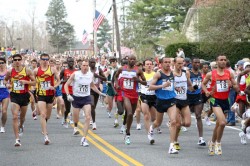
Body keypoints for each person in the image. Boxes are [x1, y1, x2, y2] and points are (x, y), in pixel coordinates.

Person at [202, 54, 239, 155]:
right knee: (223, 122)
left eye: (224, 60)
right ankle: (218, 143)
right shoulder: (211, 74)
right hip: (215, 100)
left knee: (218, 124)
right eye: (221, 60)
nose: (223, 61)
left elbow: (236, 87)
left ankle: (212, 142)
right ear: (217, 61)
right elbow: (203, 84)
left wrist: (233, 86)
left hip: (225, 100)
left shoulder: (229, 73)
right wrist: (206, 91)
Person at [64, 59, 105, 147]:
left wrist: (100, 93)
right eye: (84, 65)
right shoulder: (75, 74)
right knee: (76, 119)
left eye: (87, 66)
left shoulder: (90, 75)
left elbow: (92, 86)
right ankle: (75, 126)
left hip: (86, 98)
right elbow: (66, 85)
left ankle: (84, 138)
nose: (85, 67)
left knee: (87, 117)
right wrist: (68, 95)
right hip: (76, 98)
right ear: (80, 66)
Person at [4, 54, 36, 146]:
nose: (17, 61)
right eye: (15, 60)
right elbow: (5, 81)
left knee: (22, 117)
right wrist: (7, 85)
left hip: (24, 95)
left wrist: (26, 82)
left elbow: (35, 82)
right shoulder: (10, 72)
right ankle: (17, 139)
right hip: (14, 95)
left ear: (21, 60)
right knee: (14, 117)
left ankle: (21, 125)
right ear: (13, 61)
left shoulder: (27, 71)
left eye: (19, 59)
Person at [148, 57, 178, 154]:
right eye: (165, 62)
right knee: (158, 123)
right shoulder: (158, 74)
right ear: (161, 63)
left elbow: (173, 84)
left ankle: (171, 146)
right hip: (161, 101)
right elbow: (150, 87)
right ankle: (151, 129)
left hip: (171, 100)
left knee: (173, 122)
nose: (168, 64)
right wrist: (162, 86)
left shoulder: (173, 73)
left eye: (169, 62)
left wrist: (176, 88)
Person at [114, 55, 146, 145]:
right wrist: (117, 84)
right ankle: (128, 134)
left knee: (129, 114)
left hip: (134, 95)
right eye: (130, 59)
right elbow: (115, 77)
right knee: (130, 112)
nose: (132, 61)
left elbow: (145, 82)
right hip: (125, 94)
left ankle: (125, 127)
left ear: (135, 61)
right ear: (127, 60)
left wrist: (138, 80)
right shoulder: (122, 69)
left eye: (134, 59)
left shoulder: (138, 70)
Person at [34, 53, 60, 145]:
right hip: (41, 95)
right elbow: (32, 80)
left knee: (47, 116)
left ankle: (44, 125)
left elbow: (59, 80)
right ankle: (45, 136)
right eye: (43, 59)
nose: (45, 61)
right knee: (43, 114)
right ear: (40, 60)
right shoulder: (36, 70)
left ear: (48, 60)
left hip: (50, 95)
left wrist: (55, 86)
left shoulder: (52, 69)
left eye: (46, 59)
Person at [187, 57, 206, 146]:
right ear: (192, 63)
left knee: (198, 116)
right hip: (187, 97)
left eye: (198, 62)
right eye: (195, 62)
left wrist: (205, 90)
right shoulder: (188, 73)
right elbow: (185, 84)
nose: (197, 64)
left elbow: (202, 84)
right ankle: (175, 137)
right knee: (184, 120)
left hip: (197, 96)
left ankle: (201, 138)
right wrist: (191, 88)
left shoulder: (200, 73)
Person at [140, 59, 157, 144]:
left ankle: (151, 129)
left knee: (154, 118)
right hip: (144, 96)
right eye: (147, 64)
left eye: (151, 64)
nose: (149, 66)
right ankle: (149, 136)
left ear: (153, 66)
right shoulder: (141, 74)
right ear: (144, 66)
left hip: (154, 97)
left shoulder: (156, 74)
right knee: (146, 116)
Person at [89, 58, 107, 130]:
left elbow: (105, 79)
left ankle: (92, 118)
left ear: (95, 63)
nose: (92, 64)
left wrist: (98, 76)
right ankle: (94, 123)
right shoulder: (87, 70)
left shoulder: (99, 70)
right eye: (91, 62)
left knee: (93, 107)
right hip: (89, 89)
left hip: (96, 90)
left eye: (93, 62)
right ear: (89, 63)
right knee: (92, 105)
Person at [60, 57, 77, 128]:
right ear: (67, 63)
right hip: (66, 91)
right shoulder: (64, 71)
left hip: (74, 91)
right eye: (69, 62)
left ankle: (74, 122)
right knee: (68, 108)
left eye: (72, 61)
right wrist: (66, 80)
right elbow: (59, 80)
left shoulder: (77, 71)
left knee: (75, 107)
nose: (71, 63)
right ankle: (65, 118)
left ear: (74, 62)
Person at [0, 58, 9, 133]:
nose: (1, 64)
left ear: (5, 63)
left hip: (5, 93)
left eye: (2, 62)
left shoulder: (8, 72)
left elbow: (13, 81)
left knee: (4, 111)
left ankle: (2, 126)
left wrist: (9, 85)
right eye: (0, 63)